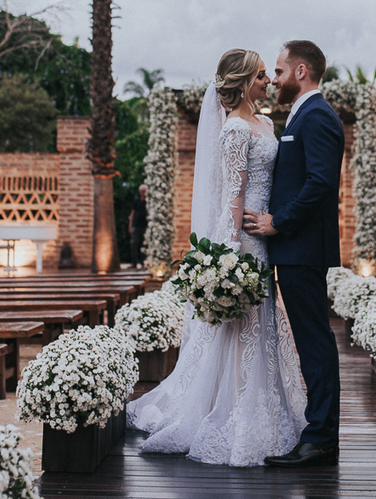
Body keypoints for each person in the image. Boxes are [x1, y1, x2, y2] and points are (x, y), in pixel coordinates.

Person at [126, 49, 307, 467]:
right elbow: (232, 196)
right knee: (239, 327)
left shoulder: (264, 122)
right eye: (262, 76)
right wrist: (227, 258)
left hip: (266, 236)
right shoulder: (234, 130)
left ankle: (263, 406)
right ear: (244, 82)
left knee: (260, 325)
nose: (268, 81)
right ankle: (236, 413)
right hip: (243, 243)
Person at [243, 39, 345, 468]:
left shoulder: (318, 116)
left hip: (303, 249)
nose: (275, 80)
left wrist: (277, 222)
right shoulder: (301, 115)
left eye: (280, 72)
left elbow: (320, 183)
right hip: (296, 251)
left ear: (301, 71)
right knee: (310, 339)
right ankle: (319, 433)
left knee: (315, 342)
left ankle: (320, 437)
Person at [128, 184, 148, 268]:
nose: (144, 193)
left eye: (145, 191)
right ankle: (134, 263)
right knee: (134, 244)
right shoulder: (136, 201)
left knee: (144, 245)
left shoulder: (148, 202)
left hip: (145, 227)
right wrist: (130, 225)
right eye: (142, 191)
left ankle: (143, 263)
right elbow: (132, 213)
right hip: (136, 226)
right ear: (140, 192)